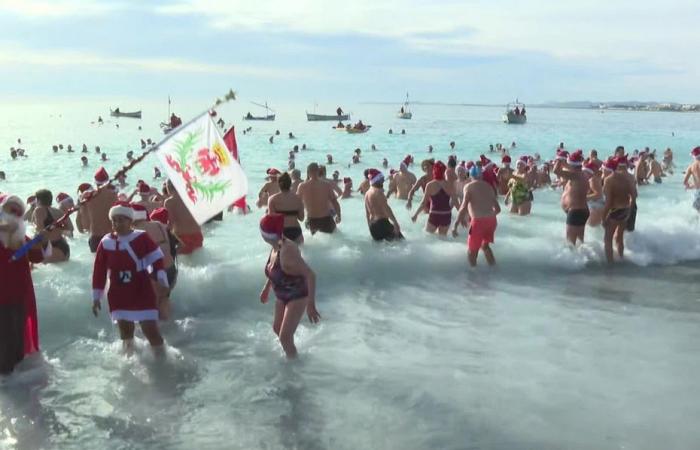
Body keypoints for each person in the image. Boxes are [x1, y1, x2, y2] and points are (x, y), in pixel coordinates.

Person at [91, 202, 169, 355]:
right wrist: (96, 297)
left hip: (141, 289)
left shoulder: (141, 237)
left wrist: (162, 282)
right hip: (118, 293)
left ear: (130, 221)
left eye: (122, 219)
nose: (117, 223)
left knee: (150, 330)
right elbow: (99, 270)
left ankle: (162, 359)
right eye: (114, 220)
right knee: (125, 332)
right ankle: (130, 361)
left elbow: (157, 260)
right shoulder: (106, 242)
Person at [259, 214, 319, 358]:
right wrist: (266, 288)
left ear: (268, 235)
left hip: (297, 295)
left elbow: (310, 274)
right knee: (277, 329)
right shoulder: (275, 246)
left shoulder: (287, 253)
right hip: (282, 294)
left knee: (284, 337)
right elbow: (273, 270)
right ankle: (291, 349)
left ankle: (294, 367)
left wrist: (311, 305)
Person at [0, 194, 46, 375]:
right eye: (10, 210)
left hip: (19, 294)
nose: (14, 215)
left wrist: (41, 242)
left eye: (17, 212)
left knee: (17, 335)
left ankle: (16, 382)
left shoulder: (22, 237)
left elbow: (38, 257)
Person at [131, 204, 176, 320]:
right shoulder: (159, 225)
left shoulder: (135, 233)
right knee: (164, 299)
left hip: (156, 272)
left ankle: (154, 334)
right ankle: (170, 329)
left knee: (152, 305)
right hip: (171, 269)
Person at [452, 165, 500, 267]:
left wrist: (455, 225)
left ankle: (472, 276)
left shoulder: (468, 187)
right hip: (492, 220)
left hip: (478, 222)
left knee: (472, 251)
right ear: (481, 175)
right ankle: (494, 269)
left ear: (470, 175)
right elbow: (498, 209)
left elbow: (463, 207)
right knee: (485, 246)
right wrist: (487, 216)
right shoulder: (488, 186)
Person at [602, 157, 636, 264]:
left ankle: (610, 264)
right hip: (625, 209)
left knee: (608, 239)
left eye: (604, 168)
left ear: (608, 168)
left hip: (615, 211)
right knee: (619, 237)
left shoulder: (609, 180)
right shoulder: (627, 178)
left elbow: (608, 203)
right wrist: (630, 211)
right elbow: (634, 196)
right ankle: (621, 258)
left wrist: (603, 218)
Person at [411, 161, 459, 235]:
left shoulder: (430, 185)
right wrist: (461, 216)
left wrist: (416, 214)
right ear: (444, 171)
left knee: (428, 237)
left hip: (434, 214)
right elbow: (455, 201)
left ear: (434, 171)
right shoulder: (449, 185)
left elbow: (423, 203)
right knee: (443, 239)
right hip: (446, 215)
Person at [554, 150, 590, 245]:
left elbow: (556, 170)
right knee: (579, 242)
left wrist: (559, 158)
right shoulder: (581, 173)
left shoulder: (575, 175)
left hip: (576, 212)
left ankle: (575, 259)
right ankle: (585, 257)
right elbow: (569, 167)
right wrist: (564, 162)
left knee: (570, 243)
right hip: (581, 210)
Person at [296, 163, 341, 234]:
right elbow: (335, 202)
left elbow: (297, 203)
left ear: (308, 172)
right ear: (318, 171)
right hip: (326, 220)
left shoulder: (302, 186)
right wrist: (339, 215)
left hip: (311, 221)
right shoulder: (326, 185)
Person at [164, 180, 203, 255]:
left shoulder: (169, 202)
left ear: (169, 187)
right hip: (197, 233)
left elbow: (171, 223)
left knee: (185, 263)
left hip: (182, 237)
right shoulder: (192, 198)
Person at [32, 189, 71, 262]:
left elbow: (40, 231)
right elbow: (70, 229)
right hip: (63, 247)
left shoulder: (38, 210)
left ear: (39, 200)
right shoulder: (58, 211)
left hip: (51, 249)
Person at [85, 167, 118, 252]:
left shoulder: (87, 196)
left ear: (95, 182)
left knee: (96, 264)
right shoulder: (113, 195)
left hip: (95, 236)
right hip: (110, 235)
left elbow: (84, 222)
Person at [364, 169, 402, 241]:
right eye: (381, 179)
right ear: (377, 180)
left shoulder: (367, 193)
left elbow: (367, 213)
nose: (383, 181)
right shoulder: (378, 192)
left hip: (373, 226)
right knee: (402, 243)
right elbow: (386, 208)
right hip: (382, 224)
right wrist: (395, 223)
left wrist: (370, 227)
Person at [268, 173, 305, 244]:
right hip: (295, 230)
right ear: (290, 184)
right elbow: (301, 218)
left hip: (281, 232)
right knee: (299, 253)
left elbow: (271, 220)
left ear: (279, 184)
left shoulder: (272, 199)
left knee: (280, 254)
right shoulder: (298, 198)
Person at [585, 161, 605, 227]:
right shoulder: (595, 178)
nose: (584, 173)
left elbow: (598, 194)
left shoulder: (592, 180)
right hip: (598, 206)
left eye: (585, 172)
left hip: (596, 207)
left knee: (591, 229)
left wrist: (585, 198)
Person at [684, 147, 700, 211]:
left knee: (696, 214)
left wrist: (690, 186)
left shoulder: (691, 166)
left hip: (698, 193)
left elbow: (685, 182)